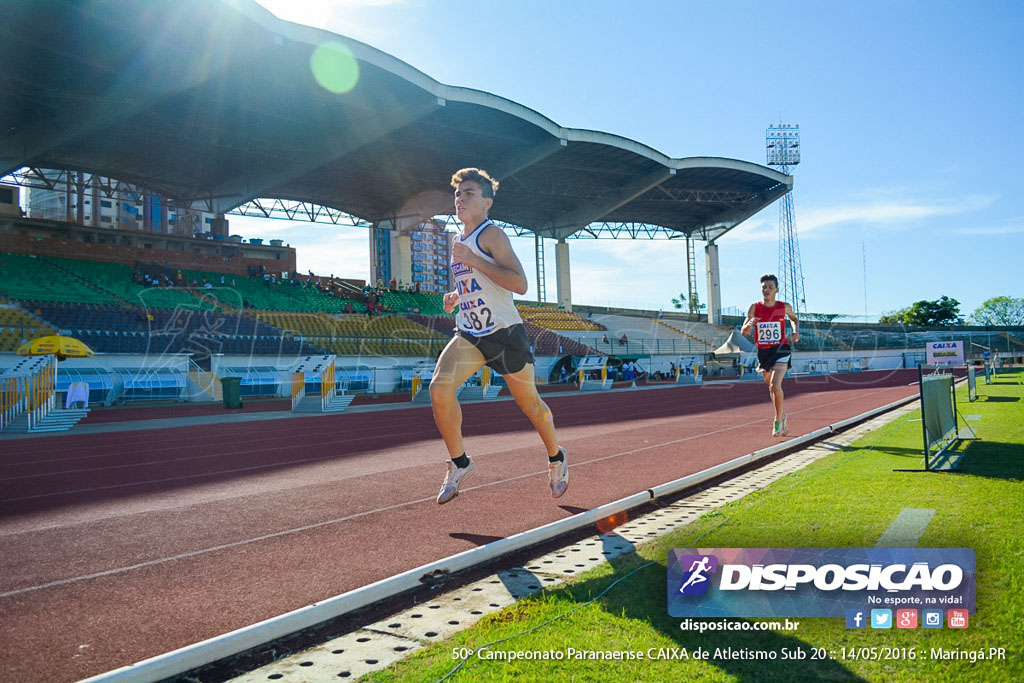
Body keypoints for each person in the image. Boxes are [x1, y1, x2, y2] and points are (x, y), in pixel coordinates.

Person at [431, 167, 568, 504]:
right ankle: (460, 463)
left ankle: (557, 456)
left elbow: (519, 284)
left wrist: (474, 261)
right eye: (457, 194)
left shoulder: (492, 236)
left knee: (531, 405)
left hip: (505, 335)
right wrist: (455, 295)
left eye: (469, 194)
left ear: (487, 203)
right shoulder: (457, 240)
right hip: (471, 333)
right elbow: (473, 283)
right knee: (439, 388)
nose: (460, 199)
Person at [740, 274, 800, 436]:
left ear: (776, 290)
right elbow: (743, 331)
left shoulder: (784, 306)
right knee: (771, 389)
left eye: (770, 288)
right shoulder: (754, 308)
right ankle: (783, 416)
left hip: (781, 349)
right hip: (764, 352)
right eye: (764, 287)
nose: (766, 290)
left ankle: (777, 419)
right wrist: (748, 326)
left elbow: (794, 319)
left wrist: (795, 331)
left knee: (775, 385)